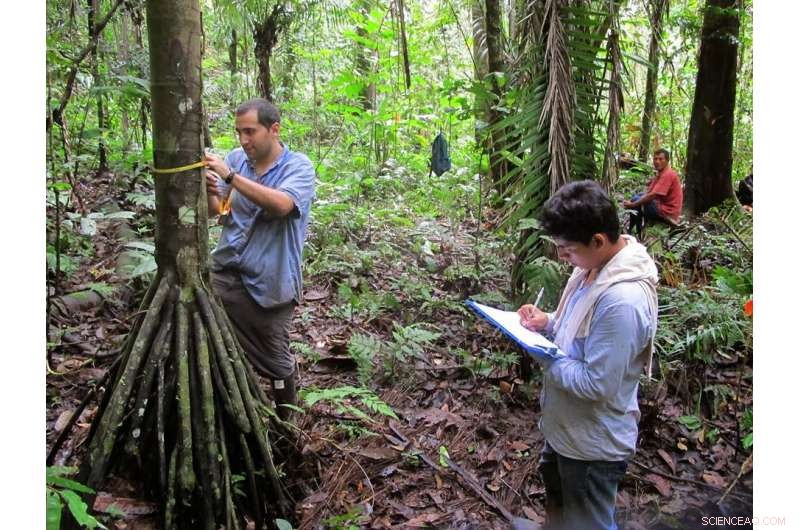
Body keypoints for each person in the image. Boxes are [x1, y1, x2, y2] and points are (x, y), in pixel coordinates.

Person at [516, 181, 658, 530]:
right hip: (567, 429)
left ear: (598, 240)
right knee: (562, 509)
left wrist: (544, 356)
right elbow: (577, 331)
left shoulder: (622, 301)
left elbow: (597, 384)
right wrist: (547, 322)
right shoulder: (592, 268)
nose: (562, 257)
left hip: (591, 446)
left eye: (567, 249)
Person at [204, 98, 315, 421]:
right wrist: (210, 187)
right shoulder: (236, 159)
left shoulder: (298, 167)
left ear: (274, 129)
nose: (243, 140)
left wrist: (229, 178)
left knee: (277, 361)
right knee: (214, 342)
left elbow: (281, 205)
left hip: (270, 284)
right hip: (225, 273)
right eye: (239, 132)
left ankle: (287, 423)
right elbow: (216, 211)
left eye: (250, 132)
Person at [623, 148, 683, 236]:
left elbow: (652, 195)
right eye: (655, 159)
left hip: (668, 212)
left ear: (667, 161)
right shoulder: (660, 173)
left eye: (661, 159)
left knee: (637, 200)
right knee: (638, 196)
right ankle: (635, 228)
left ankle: (635, 230)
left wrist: (633, 204)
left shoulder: (668, 174)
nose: (657, 161)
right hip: (662, 206)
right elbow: (649, 192)